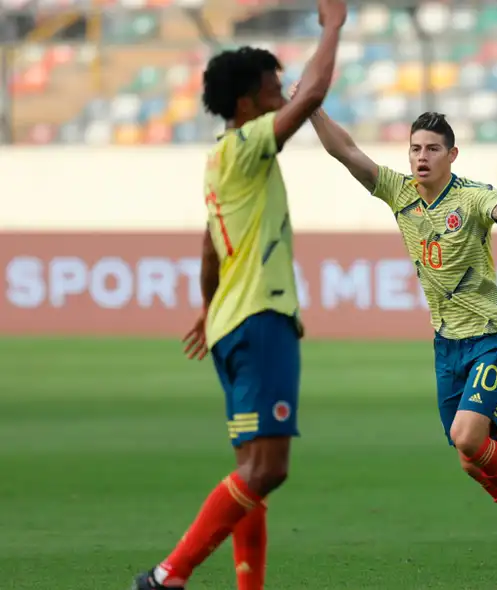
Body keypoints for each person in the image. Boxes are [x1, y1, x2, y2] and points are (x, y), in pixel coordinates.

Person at [294, 97, 497, 570]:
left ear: (452, 155)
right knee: (470, 458)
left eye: (432, 148)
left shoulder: (470, 196)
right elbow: (345, 152)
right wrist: (310, 109)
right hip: (446, 346)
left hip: (492, 338)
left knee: (469, 438)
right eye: (414, 148)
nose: (421, 157)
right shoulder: (399, 192)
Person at [130, 3, 347, 588]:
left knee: (250, 470)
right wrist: (333, 26)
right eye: (273, 90)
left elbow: (209, 249)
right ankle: (169, 575)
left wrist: (208, 309)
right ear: (248, 106)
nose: (283, 97)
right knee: (268, 469)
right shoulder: (250, 144)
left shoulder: (219, 163)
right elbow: (316, 91)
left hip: (231, 322)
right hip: (260, 319)